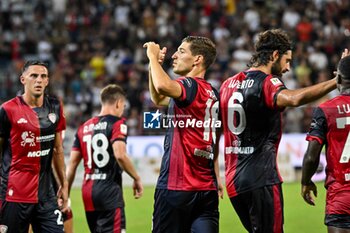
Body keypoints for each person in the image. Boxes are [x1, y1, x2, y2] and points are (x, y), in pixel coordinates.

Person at [219, 29, 349, 233]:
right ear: (274, 56)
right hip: (261, 178)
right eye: (287, 60)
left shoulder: (227, 84)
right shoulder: (267, 82)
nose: (288, 68)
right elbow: (293, 99)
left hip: (233, 181)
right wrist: (338, 80)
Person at [144, 36, 223, 233]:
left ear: (197, 59)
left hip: (177, 187)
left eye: (181, 51)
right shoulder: (212, 92)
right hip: (206, 189)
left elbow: (163, 87)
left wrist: (152, 57)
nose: (174, 55)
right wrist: (153, 67)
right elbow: (159, 97)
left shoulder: (189, 85)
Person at [0, 60, 68, 233]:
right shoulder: (7, 110)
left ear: (47, 81)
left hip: (46, 196)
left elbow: (58, 150)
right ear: (23, 79)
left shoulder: (55, 107)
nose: (39, 80)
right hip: (14, 195)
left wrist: (64, 183)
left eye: (43, 76)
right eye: (34, 76)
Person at [66, 84, 143, 233]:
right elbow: (120, 155)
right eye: (123, 106)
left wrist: (65, 193)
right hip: (109, 192)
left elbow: (72, 166)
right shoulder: (117, 123)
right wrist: (136, 177)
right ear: (118, 103)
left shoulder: (83, 127)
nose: (123, 110)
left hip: (88, 193)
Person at [301, 56, 350, 233]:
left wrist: (305, 181)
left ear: (337, 78)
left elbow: (312, 156)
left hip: (342, 195)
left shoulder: (326, 109)